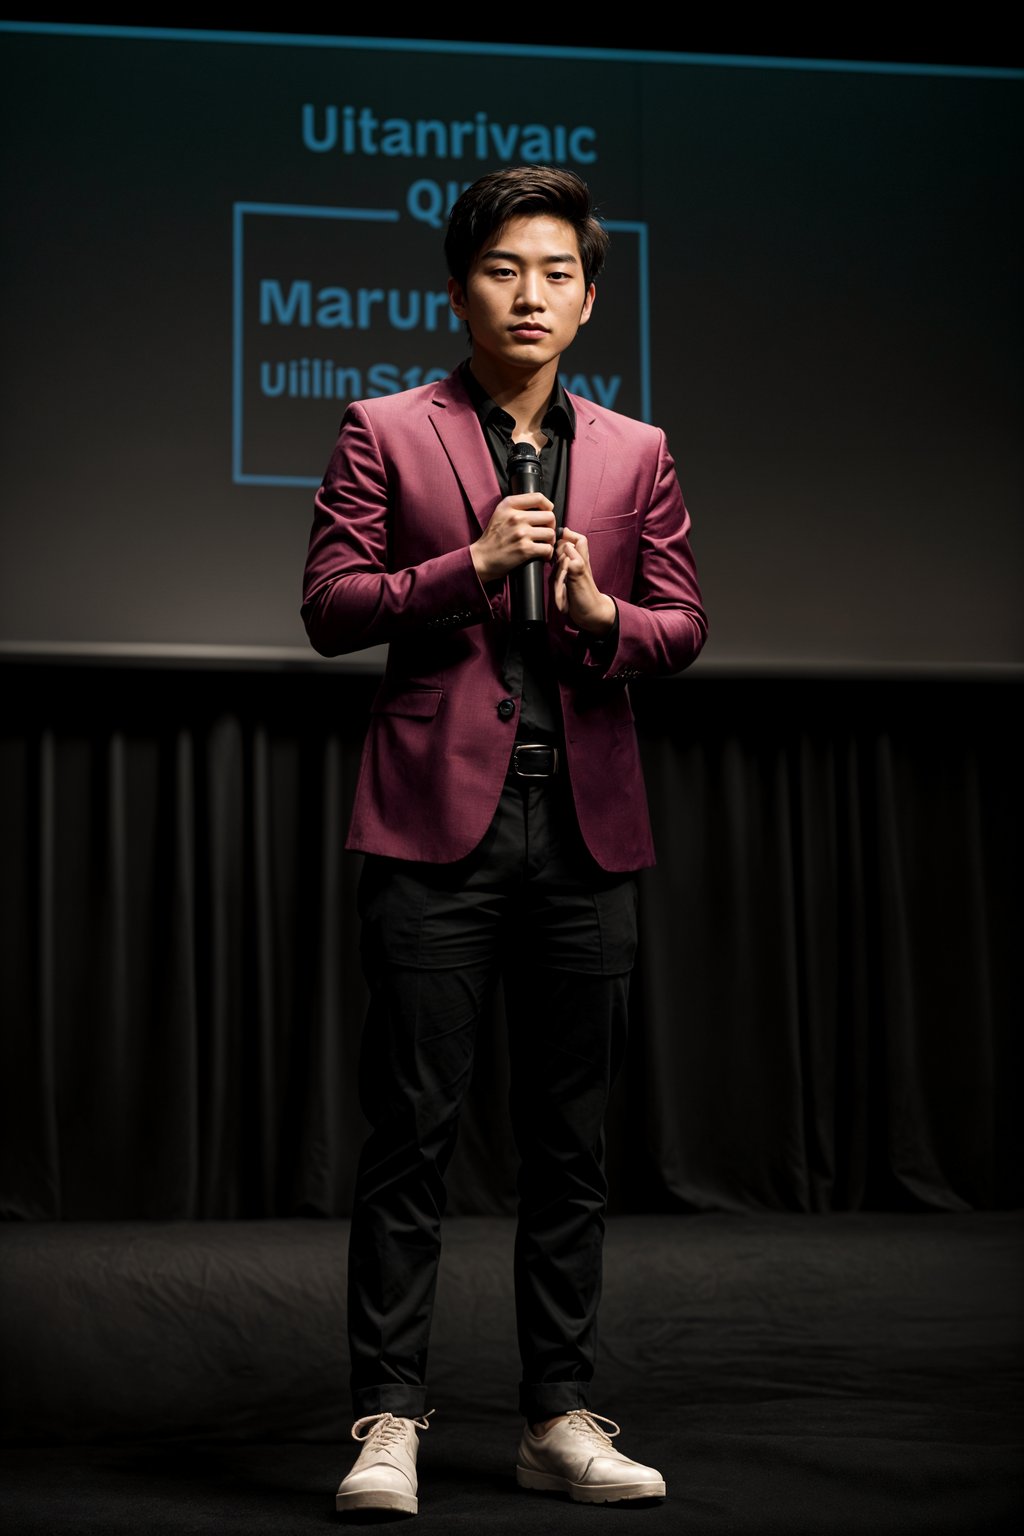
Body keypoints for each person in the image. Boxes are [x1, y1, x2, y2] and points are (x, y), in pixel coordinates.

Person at [300, 164, 707, 1517]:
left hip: (585, 833)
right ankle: (388, 1419)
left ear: (589, 298)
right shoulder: (384, 428)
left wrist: (600, 613)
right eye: (500, 269)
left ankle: (555, 1416)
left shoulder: (638, 452)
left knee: (570, 1144)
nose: (527, 294)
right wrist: (464, 568)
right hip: (432, 830)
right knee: (412, 1133)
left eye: (554, 273)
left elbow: (684, 629)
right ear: (459, 284)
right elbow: (332, 606)